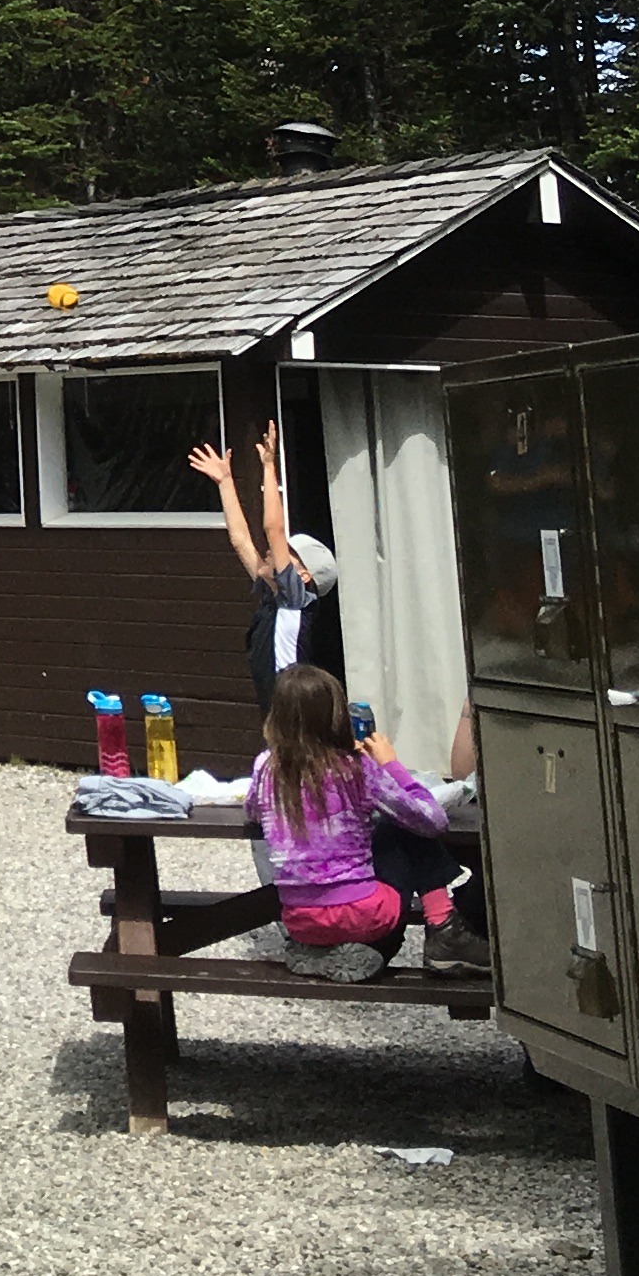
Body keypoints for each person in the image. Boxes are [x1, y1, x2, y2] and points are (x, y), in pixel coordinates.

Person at [251, 662, 466, 982]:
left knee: (384, 835)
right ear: (336, 715)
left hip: (300, 921)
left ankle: (319, 950)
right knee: (403, 830)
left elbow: (254, 811)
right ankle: (444, 929)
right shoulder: (354, 769)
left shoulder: (266, 768)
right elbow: (431, 821)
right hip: (363, 916)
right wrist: (391, 765)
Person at [185, 419, 347, 709]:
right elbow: (240, 541)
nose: (272, 553)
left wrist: (269, 466)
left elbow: (274, 530)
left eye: (286, 553)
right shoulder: (274, 599)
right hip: (276, 714)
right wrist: (225, 482)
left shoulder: (296, 602)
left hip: (294, 716)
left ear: (303, 575)